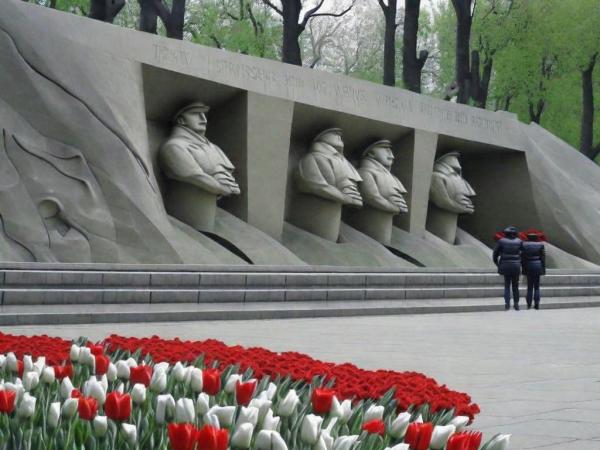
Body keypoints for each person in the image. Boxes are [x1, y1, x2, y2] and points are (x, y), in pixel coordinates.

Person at [493, 226, 523, 310]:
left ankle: (507, 304)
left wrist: (498, 264)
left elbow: (495, 254)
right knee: (515, 286)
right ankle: (516, 304)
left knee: (507, 285)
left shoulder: (501, 241)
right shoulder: (519, 241)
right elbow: (524, 253)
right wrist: (520, 262)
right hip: (516, 266)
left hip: (505, 265)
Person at [522, 232, 546, 309]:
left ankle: (529, 304)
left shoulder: (524, 244)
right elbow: (543, 259)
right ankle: (537, 304)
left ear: (528, 238)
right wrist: (543, 270)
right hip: (538, 265)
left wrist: (523, 269)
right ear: (536, 238)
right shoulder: (541, 245)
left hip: (528, 266)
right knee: (536, 287)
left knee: (529, 287)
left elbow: (523, 258)